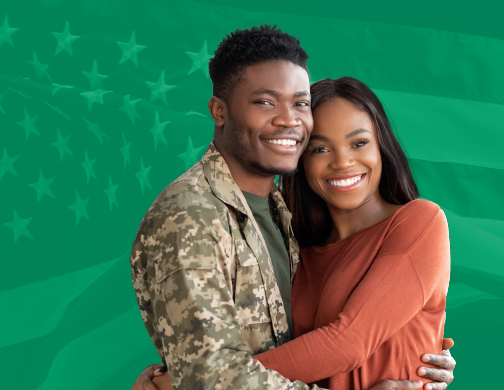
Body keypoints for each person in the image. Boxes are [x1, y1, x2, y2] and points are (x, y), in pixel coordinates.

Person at [130, 25, 455, 390]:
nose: (288, 119)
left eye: (299, 103)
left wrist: (175, 385)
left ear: (383, 147)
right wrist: (189, 382)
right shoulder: (192, 214)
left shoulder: (288, 222)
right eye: (266, 101)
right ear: (219, 111)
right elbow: (211, 375)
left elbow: (349, 341)